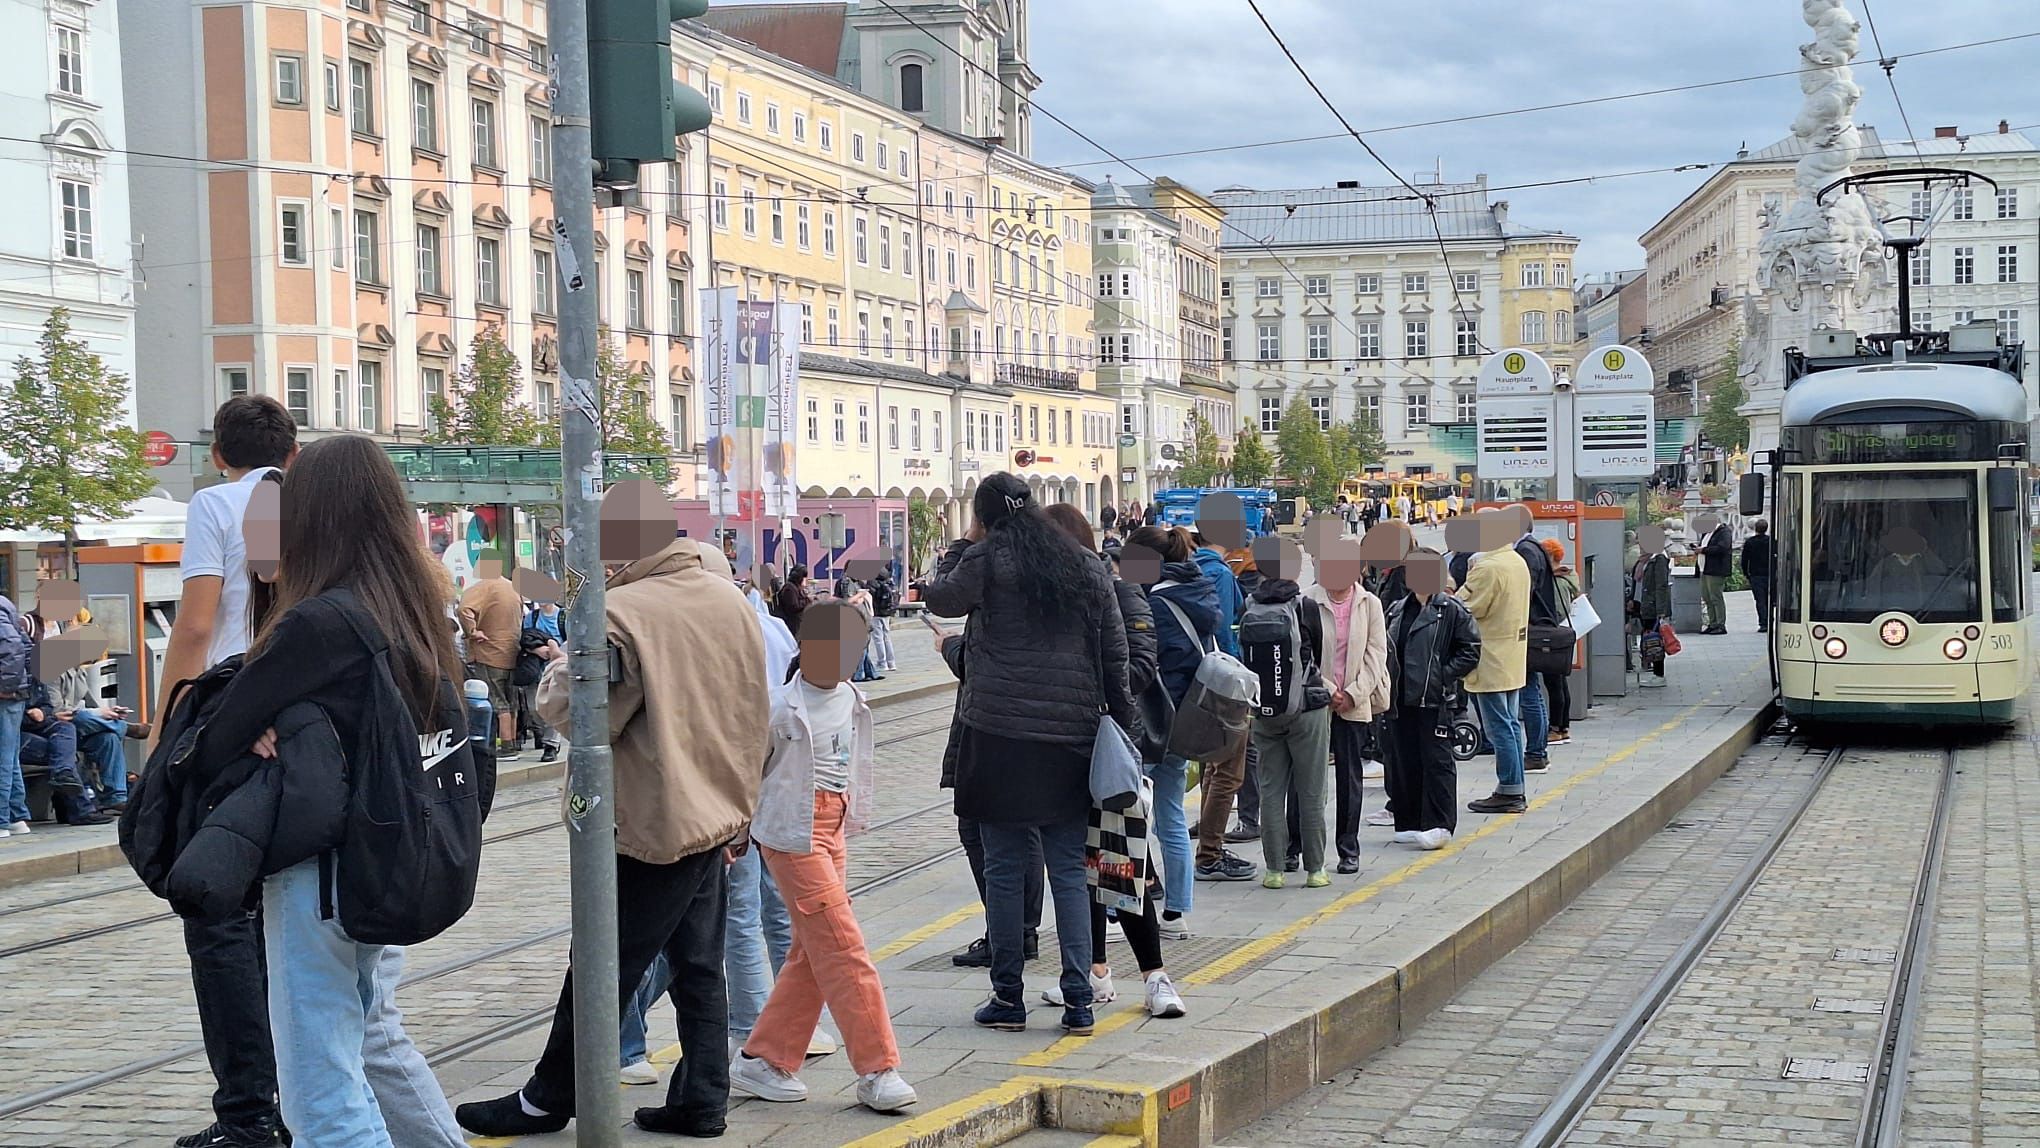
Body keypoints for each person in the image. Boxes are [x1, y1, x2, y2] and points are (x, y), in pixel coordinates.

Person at [179, 434, 473, 1148]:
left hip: (323, 877)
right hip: (392, 859)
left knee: (320, 1089)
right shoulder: (412, 608)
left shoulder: (318, 620)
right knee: (371, 1038)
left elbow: (214, 737)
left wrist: (250, 722)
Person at [457, 513, 769, 1138]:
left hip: (652, 815)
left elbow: (576, 712)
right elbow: (753, 704)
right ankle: (703, 1096)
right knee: (698, 961)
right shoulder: (725, 594)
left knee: (603, 962)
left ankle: (548, 1097)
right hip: (717, 806)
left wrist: (562, 664)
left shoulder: (622, 613)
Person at [922, 472, 1134, 1036]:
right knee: (1069, 870)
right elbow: (1116, 654)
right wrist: (1126, 727)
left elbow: (940, 597)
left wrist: (964, 544)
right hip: (1070, 737)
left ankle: (1008, 997)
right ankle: (1079, 999)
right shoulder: (1085, 564)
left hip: (996, 737)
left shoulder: (986, 557)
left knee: (1004, 868)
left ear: (986, 516)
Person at [148, 395, 297, 1148]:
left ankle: (250, 1115)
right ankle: (295, 1097)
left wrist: (166, 722)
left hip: (231, 725)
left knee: (218, 910)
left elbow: (199, 625)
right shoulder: (302, 502)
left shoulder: (218, 502)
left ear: (218, 453)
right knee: (285, 913)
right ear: (292, 453)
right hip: (300, 726)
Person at [725, 602, 918, 1114]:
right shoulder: (777, 706)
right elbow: (745, 774)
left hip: (834, 829)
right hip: (791, 834)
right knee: (842, 945)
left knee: (813, 951)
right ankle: (878, 1067)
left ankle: (763, 1058)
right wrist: (736, 832)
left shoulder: (853, 698)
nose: (843, 658)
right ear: (804, 646)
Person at [1028, 505, 1189, 1019]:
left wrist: (1086, 687)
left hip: (1111, 747)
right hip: (1064, 749)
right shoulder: (1049, 601)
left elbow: (1140, 665)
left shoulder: (1120, 591)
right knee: (1084, 870)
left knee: (1121, 862)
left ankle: (1155, 977)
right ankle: (1095, 972)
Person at [1127, 524, 1222, 933]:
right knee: (1169, 816)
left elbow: (1146, 665)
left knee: (1125, 816)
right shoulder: (1198, 591)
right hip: (1182, 723)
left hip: (1150, 723)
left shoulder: (1157, 604)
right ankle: (1176, 913)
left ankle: (1122, 911)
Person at [1244, 541, 1335, 888]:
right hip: (1307, 709)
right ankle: (1316, 869)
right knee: (1311, 792)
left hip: (1265, 711)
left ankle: (1274, 870)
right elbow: (1318, 658)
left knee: (1271, 792)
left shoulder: (1249, 605)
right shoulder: (1306, 606)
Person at [1382, 549, 1481, 849]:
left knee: (1437, 761)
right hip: (1400, 699)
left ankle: (1440, 823)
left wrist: (1441, 675)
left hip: (1434, 699)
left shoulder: (1450, 608)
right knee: (1403, 760)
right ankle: (1409, 820)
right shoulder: (1398, 609)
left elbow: (1471, 649)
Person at [1304, 546, 1389, 874]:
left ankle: (1348, 848)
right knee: (1308, 777)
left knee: (1350, 777)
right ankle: (1299, 844)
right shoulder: (1307, 600)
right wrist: (1328, 690)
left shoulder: (1371, 604)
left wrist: (1353, 694)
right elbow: (1304, 654)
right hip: (1316, 701)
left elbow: (1376, 654)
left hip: (1355, 700)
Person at [1188, 531, 1257, 884]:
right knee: (1230, 770)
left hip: (1196, 682)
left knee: (1212, 768)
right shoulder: (1223, 575)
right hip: (1224, 681)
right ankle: (1210, 853)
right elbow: (1228, 633)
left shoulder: (1187, 568)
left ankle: (1206, 842)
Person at [1461, 517, 1532, 815]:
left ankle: (1510, 789)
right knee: (1511, 724)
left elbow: (1464, 606)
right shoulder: (1515, 560)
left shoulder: (1488, 568)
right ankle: (1513, 787)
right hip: (1512, 655)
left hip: (1490, 656)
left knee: (1498, 726)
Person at [459, 549, 525, 762]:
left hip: (488, 651)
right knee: (510, 700)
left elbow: (463, 609)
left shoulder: (483, 587)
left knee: (495, 700)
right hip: (511, 651)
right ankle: (512, 742)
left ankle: (505, 746)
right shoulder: (513, 588)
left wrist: (472, 631)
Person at [1509, 507, 1559, 775]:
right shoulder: (1534, 547)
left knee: (1529, 691)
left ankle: (1536, 752)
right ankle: (1537, 750)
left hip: (1530, 627)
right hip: (1536, 624)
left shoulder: (1526, 551)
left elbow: (1522, 592)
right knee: (1532, 691)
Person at [1540, 538, 1579, 746]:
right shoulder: (1569, 576)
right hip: (1565, 634)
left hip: (1553, 634)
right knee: (1561, 682)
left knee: (1554, 683)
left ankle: (1556, 728)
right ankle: (1563, 727)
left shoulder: (1555, 581)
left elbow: (1555, 609)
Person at [1630, 526, 1674, 688]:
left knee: (1655, 641)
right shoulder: (1645, 559)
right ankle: (1654, 671)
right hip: (1642, 605)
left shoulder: (1659, 559)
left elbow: (1661, 586)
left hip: (1653, 607)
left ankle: (1659, 674)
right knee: (1649, 639)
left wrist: (1661, 612)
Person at [1698, 515, 1733, 634]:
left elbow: (1722, 548)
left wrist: (1703, 550)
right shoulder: (1706, 533)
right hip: (1704, 569)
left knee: (1715, 597)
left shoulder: (1723, 532)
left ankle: (1720, 624)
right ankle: (1712, 623)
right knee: (1707, 597)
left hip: (1716, 569)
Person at [1742, 519, 1775, 634]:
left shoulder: (1750, 542)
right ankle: (1771, 620)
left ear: (1755, 528)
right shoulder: (1771, 541)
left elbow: (1745, 560)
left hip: (1756, 575)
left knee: (1760, 600)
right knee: (1769, 599)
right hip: (1770, 574)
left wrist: (1746, 574)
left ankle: (1763, 623)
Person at [866, 569, 899, 673]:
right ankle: (891, 662)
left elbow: (871, 597)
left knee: (878, 638)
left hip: (877, 612)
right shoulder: (889, 580)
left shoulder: (872, 582)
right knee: (887, 637)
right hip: (887, 612)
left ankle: (882, 662)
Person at [776, 564, 814, 638]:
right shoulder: (789, 589)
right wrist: (807, 600)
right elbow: (794, 606)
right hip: (792, 624)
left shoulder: (795, 587)